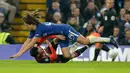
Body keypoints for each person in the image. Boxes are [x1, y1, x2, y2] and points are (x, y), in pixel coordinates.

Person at [9, 11, 118, 59]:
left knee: (85, 41)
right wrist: (19, 52)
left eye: (26, 25)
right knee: (66, 56)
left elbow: (32, 42)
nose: (26, 27)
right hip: (59, 36)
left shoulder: (39, 29)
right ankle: (75, 45)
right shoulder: (34, 30)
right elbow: (27, 41)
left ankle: (109, 39)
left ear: (31, 24)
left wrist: (21, 53)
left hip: (65, 30)